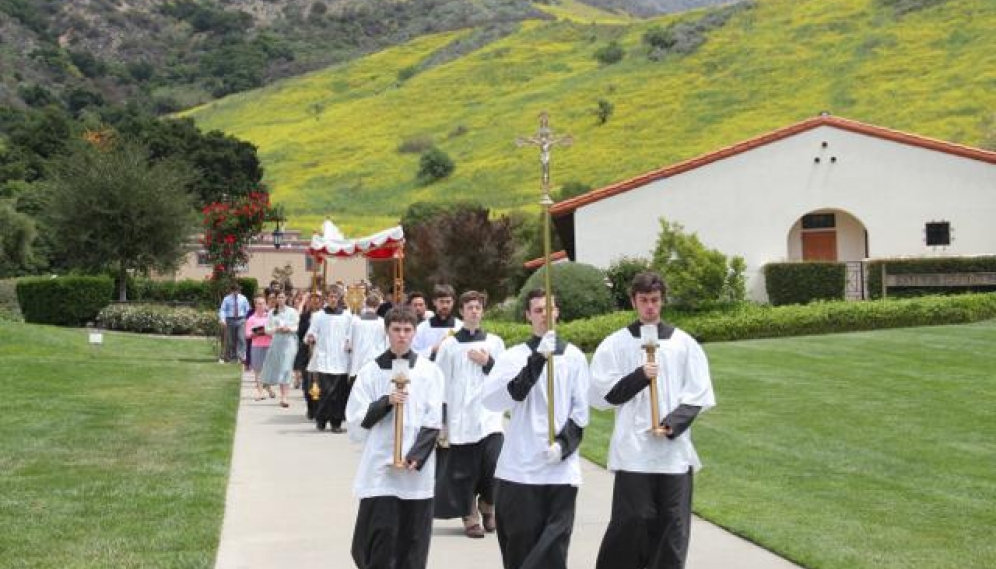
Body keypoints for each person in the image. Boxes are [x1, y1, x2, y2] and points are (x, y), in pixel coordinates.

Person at [589, 272, 716, 569]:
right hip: (634, 451)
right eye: (644, 300)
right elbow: (602, 394)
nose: (650, 307)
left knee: (672, 523)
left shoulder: (683, 344)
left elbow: (698, 393)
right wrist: (639, 376)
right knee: (633, 519)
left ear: (662, 301)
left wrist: (671, 424)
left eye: (655, 301)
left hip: (672, 452)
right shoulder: (616, 344)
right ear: (633, 301)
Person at [482, 289, 590, 569]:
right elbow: (495, 399)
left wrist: (564, 446)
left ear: (558, 312)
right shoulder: (513, 356)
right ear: (528, 316)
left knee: (553, 550)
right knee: (519, 546)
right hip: (519, 471)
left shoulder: (575, 357)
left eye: (550, 309)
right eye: (539, 310)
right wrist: (537, 361)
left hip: (560, 472)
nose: (546, 315)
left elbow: (580, 413)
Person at [345, 306, 445, 569]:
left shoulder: (429, 371)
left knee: (412, 543)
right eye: (396, 329)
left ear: (414, 332)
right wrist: (385, 403)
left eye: (407, 330)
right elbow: (355, 420)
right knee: (373, 542)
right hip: (381, 470)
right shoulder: (371, 371)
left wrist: (416, 456)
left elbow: (433, 418)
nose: (402, 335)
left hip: (415, 473)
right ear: (386, 331)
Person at [433, 290, 505, 538]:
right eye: (469, 307)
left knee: (494, 465)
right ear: (461, 312)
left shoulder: (494, 342)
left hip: (489, 417)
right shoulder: (450, 346)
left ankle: (488, 504)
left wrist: (489, 363)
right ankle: (469, 515)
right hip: (460, 418)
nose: (474, 311)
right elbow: (439, 382)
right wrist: (440, 418)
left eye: (478, 307)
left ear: (482, 311)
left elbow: (505, 379)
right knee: (464, 471)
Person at [306, 285, 353, 432]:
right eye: (331, 296)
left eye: (336, 297)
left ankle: (336, 422)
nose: (333, 299)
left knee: (339, 393)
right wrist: (311, 337)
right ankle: (321, 419)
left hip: (340, 359)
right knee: (325, 391)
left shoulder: (347, 316)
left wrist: (349, 342)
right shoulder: (318, 315)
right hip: (324, 358)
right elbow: (311, 332)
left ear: (339, 298)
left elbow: (350, 334)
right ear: (327, 298)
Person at [259, 290, 299, 408]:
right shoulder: (272, 312)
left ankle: (284, 397)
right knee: (275, 368)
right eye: (278, 297)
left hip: (289, 343)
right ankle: (267, 384)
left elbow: (296, 326)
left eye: (282, 297)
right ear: (275, 299)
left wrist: (289, 329)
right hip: (276, 343)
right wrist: (275, 329)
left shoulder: (292, 311)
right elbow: (267, 329)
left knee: (286, 368)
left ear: (286, 298)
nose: (280, 299)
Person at [412, 284, 461, 361]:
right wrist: (433, 349)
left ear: (453, 302)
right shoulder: (422, 328)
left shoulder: (460, 326)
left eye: (448, 302)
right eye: (441, 302)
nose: (445, 305)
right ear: (434, 302)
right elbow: (413, 353)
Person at [296, 291, 324, 419]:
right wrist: (309, 335)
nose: (315, 301)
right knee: (308, 383)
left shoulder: (325, 316)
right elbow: (300, 333)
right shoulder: (305, 316)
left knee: (320, 383)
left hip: (322, 354)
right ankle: (311, 407)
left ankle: (319, 408)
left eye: (317, 298)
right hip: (307, 353)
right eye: (312, 299)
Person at [348, 293, 388, 382]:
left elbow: (349, 345)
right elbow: (387, 345)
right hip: (376, 363)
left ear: (365, 304)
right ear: (378, 305)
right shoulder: (383, 322)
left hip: (358, 364)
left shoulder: (355, 321)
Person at [244, 295, 274, 401]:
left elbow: (274, 332)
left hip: (269, 345)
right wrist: (254, 333)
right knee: (258, 370)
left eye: (262, 303)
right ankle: (260, 392)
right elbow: (247, 334)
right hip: (256, 346)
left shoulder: (270, 317)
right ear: (255, 305)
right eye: (258, 303)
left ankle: (268, 387)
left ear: (266, 305)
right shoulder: (251, 319)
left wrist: (268, 332)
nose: (260, 305)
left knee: (268, 370)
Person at [217, 283, 249, 364]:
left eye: (237, 290)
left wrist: (247, 319)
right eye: (234, 290)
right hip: (230, 320)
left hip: (241, 319)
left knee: (241, 338)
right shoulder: (227, 299)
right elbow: (223, 310)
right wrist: (222, 320)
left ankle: (241, 357)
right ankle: (233, 357)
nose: (236, 292)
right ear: (231, 291)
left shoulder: (243, 298)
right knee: (231, 340)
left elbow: (247, 309)